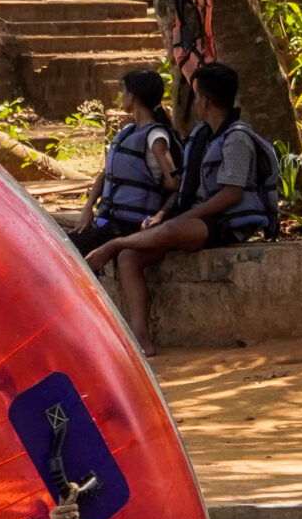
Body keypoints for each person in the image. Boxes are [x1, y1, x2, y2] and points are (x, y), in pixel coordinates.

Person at [81, 61, 281, 357]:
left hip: (226, 222)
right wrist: (163, 214)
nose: (193, 102)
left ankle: (113, 243)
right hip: (197, 217)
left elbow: (231, 194)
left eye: (195, 95)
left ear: (205, 100)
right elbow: (184, 187)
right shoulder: (201, 135)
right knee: (129, 258)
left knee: (168, 231)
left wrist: (181, 218)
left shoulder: (237, 138)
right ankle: (141, 340)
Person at [71, 69, 179, 256]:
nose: (121, 97)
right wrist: (88, 207)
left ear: (132, 96)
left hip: (132, 224)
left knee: (71, 248)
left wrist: (158, 194)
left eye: (123, 92)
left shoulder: (156, 137)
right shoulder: (128, 131)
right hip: (110, 219)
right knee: (66, 241)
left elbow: (174, 182)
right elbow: (106, 174)